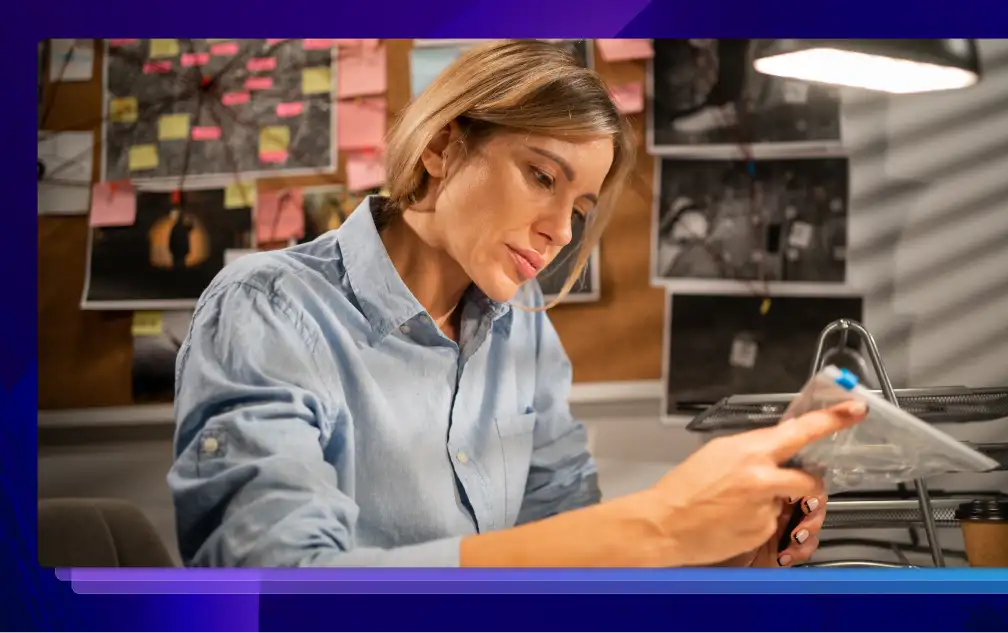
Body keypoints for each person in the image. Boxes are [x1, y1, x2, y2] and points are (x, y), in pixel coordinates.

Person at [168, 39, 866, 569]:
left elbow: (566, 544)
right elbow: (276, 581)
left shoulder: (522, 328)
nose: (561, 232)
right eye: (541, 176)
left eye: (580, 209)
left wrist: (722, 553)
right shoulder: (265, 310)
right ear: (442, 147)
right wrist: (655, 527)